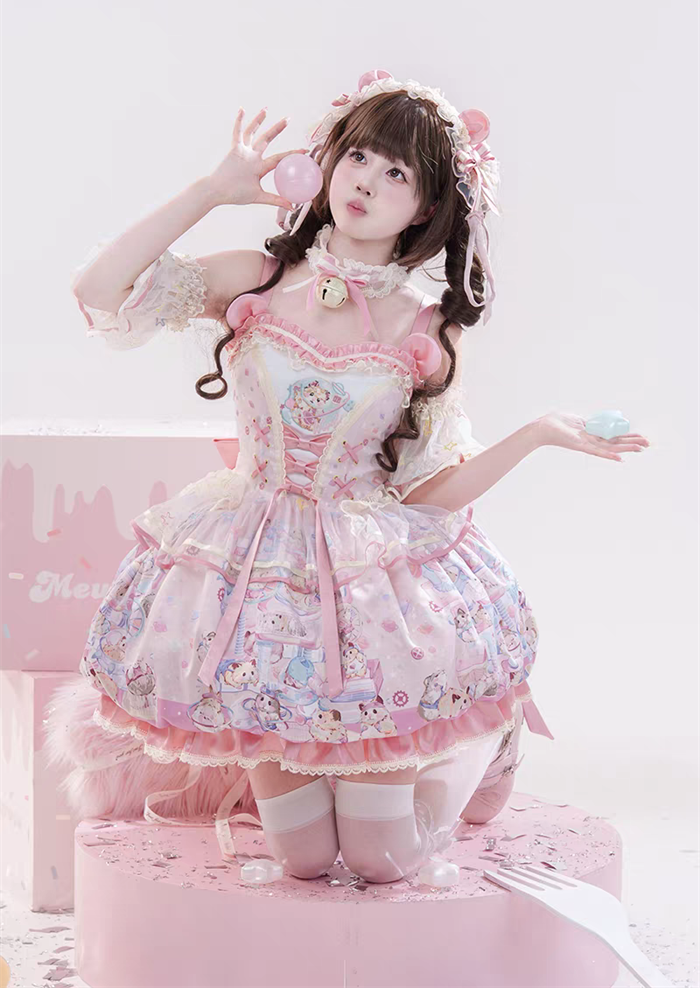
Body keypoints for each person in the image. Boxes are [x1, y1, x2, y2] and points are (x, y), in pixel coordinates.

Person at [46, 71, 650, 885]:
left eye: (398, 172)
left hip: (366, 588)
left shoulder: (425, 329)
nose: (366, 180)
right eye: (359, 155)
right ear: (328, 163)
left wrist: (536, 435)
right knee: (301, 860)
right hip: (252, 579)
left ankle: (485, 749)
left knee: (380, 859)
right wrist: (212, 190)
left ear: (426, 209)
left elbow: (424, 495)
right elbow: (97, 290)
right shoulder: (255, 279)